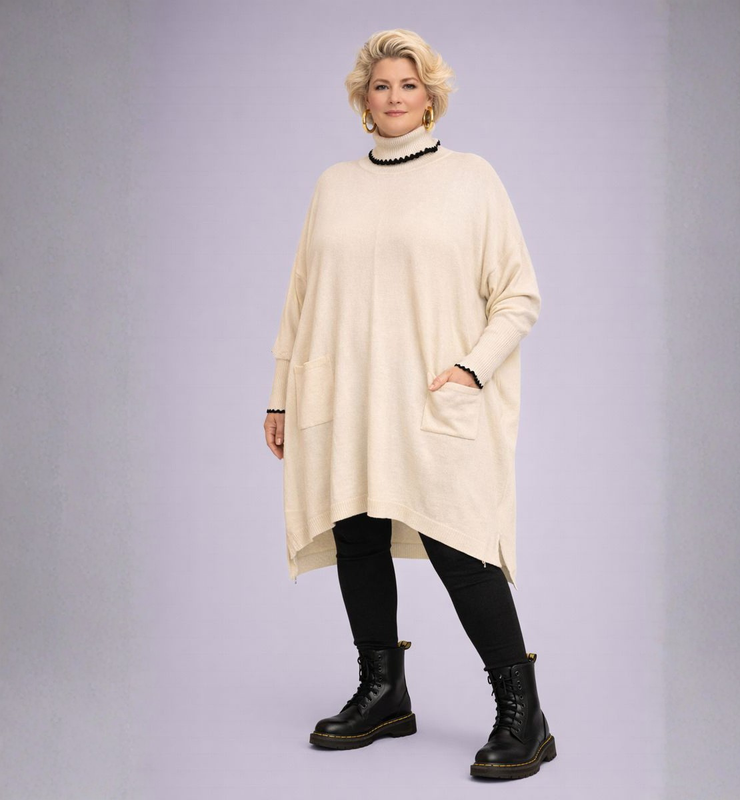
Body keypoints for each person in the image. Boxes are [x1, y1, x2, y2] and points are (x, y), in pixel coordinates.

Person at [263, 28, 557, 781]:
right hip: (344, 393)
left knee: (462, 545)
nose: (394, 97)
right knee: (356, 534)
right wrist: (281, 395)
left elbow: (518, 295)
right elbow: (300, 299)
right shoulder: (334, 184)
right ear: (364, 101)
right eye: (381, 86)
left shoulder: (470, 178)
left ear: (431, 97)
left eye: (408, 84)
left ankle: (524, 714)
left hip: (429, 396)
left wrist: (472, 370)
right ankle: (384, 692)